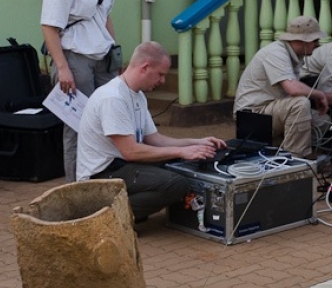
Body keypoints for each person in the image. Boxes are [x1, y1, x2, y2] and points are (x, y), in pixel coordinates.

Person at [76, 41, 225, 223]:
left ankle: (126, 209)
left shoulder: (137, 95)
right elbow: (130, 151)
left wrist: (195, 143)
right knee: (176, 183)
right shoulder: (112, 98)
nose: (162, 81)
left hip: (121, 166)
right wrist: (181, 151)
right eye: (160, 74)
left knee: (179, 163)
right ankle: (108, 218)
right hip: (101, 175)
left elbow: (155, 139)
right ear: (145, 67)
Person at [41, 0, 128, 182]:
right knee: (78, 127)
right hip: (74, 58)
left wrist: (115, 54)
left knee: (111, 120)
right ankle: (76, 189)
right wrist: (63, 68)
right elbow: (49, 26)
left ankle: (105, 182)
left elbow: (105, 16)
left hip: (102, 57)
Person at [234, 15, 331, 157]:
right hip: (252, 116)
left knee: (322, 122)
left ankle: (278, 148)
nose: (318, 44)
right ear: (300, 41)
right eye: (315, 40)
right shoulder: (275, 52)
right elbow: (292, 88)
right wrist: (320, 94)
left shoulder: (291, 54)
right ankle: (294, 159)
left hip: (268, 111)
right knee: (299, 104)